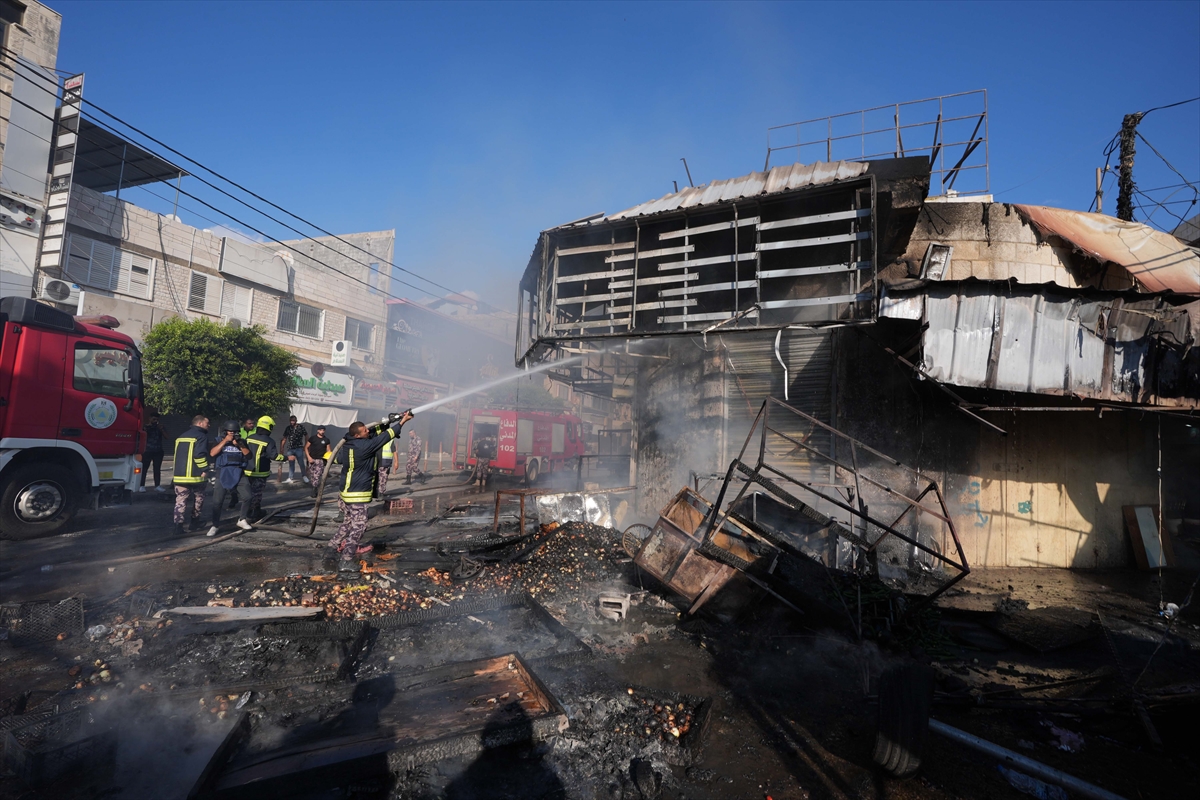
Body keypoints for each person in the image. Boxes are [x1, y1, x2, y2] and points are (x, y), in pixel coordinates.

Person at [327, 410, 414, 572]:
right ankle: (346, 560)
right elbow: (384, 437)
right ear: (358, 435)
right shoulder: (365, 447)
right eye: (364, 430)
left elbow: (373, 433)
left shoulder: (350, 443)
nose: (368, 430)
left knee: (348, 523)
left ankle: (331, 547)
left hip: (346, 493)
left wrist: (389, 420)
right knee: (359, 526)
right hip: (357, 495)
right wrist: (402, 422)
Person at [207, 421, 250, 536]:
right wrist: (225, 441)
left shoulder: (241, 441)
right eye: (230, 431)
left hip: (238, 471)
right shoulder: (218, 440)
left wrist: (239, 445)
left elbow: (248, 456)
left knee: (248, 496)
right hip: (223, 471)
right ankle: (215, 525)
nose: (232, 433)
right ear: (225, 431)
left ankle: (242, 519)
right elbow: (212, 453)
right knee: (217, 501)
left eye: (235, 432)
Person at [171, 415, 211, 535]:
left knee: (180, 501)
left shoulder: (181, 437)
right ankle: (194, 523)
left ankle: (178, 527)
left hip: (180, 476)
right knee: (199, 498)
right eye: (207, 423)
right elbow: (199, 455)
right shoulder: (201, 436)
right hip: (196, 476)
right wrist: (205, 469)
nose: (209, 425)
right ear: (200, 423)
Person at [241, 415, 285, 523]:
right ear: (269, 427)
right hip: (260, 473)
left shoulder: (249, 438)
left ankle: (253, 511)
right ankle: (251, 515)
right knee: (257, 494)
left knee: (248, 493)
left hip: (247, 471)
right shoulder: (269, 441)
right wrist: (286, 458)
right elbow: (274, 456)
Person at [140, 415, 166, 493]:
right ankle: (141, 485)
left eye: (157, 419)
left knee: (157, 468)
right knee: (144, 468)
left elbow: (167, 437)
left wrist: (161, 429)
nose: (155, 421)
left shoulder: (160, 427)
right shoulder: (146, 427)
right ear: (150, 419)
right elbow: (142, 436)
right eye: (154, 419)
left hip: (158, 450)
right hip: (147, 450)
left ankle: (157, 485)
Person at [280, 416, 309, 485]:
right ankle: (290, 477)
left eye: (293, 421)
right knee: (291, 463)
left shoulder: (301, 427)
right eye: (291, 421)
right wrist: (282, 448)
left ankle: (304, 476)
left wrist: (306, 445)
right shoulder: (288, 428)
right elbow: (284, 438)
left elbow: (306, 435)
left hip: (299, 448)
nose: (292, 422)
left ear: (296, 420)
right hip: (290, 448)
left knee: (301, 463)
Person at [306, 424, 332, 497]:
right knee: (312, 475)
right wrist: (308, 457)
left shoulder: (326, 440)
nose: (322, 431)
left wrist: (328, 459)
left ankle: (314, 490)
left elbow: (329, 450)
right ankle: (315, 488)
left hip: (320, 460)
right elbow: (306, 447)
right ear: (318, 430)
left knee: (317, 475)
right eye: (321, 430)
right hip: (312, 459)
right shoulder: (312, 438)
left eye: (323, 430)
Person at [377, 433, 398, 501]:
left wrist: (396, 462)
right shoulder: (376, 438)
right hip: (377, 461)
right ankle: (378, 493)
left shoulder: (390, 440)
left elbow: (394, 451)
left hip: (385, 462)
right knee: (378, 478)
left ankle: (381, 493)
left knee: (383, 478)